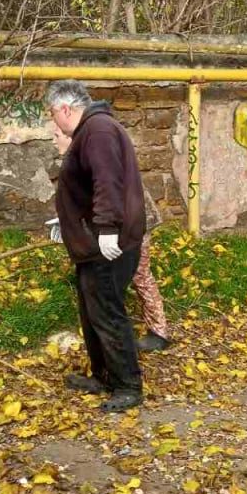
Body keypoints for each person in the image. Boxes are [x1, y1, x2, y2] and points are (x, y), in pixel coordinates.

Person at [46, 79, 146, 412]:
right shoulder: (92, 130)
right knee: (92, 313)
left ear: (64, 108)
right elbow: (88, 186)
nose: (53, 124)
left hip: (108, 244)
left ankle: (128, 386)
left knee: (108, 313)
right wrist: (70, 223)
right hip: (93, 243)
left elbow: (107, 181)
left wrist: (105, 228)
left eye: (52, 114)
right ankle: (104, 376)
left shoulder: (98, 131)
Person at [49, 124, 171, 353]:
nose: (53, 141)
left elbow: (107, 195)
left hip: (135, 224)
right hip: (121, 226)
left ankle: (159, 332)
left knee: (140, 274)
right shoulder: (82, 156)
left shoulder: (92, 154)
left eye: (57, 136)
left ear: (70, 137)